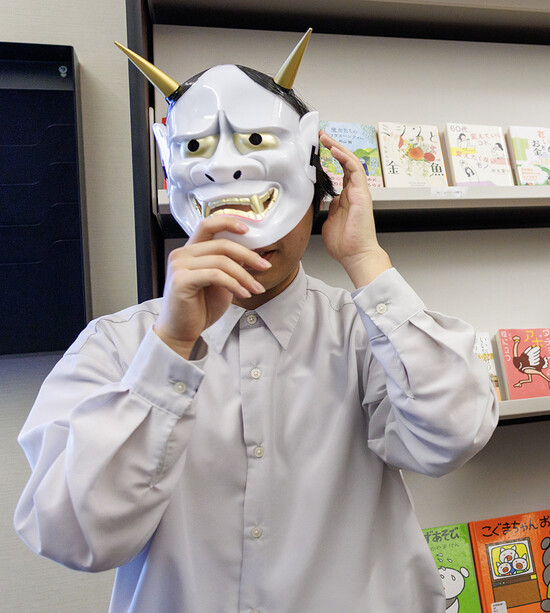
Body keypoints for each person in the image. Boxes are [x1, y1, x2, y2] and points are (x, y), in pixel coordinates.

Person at [14, 31, 498, 613]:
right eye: (220, 205)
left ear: (317, 201)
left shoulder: (363, 330)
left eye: (271, 205)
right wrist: (170, 348)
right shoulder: (113, 345)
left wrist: (367, 262)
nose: (249, 233)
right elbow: (74, 535)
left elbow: (453, 435)